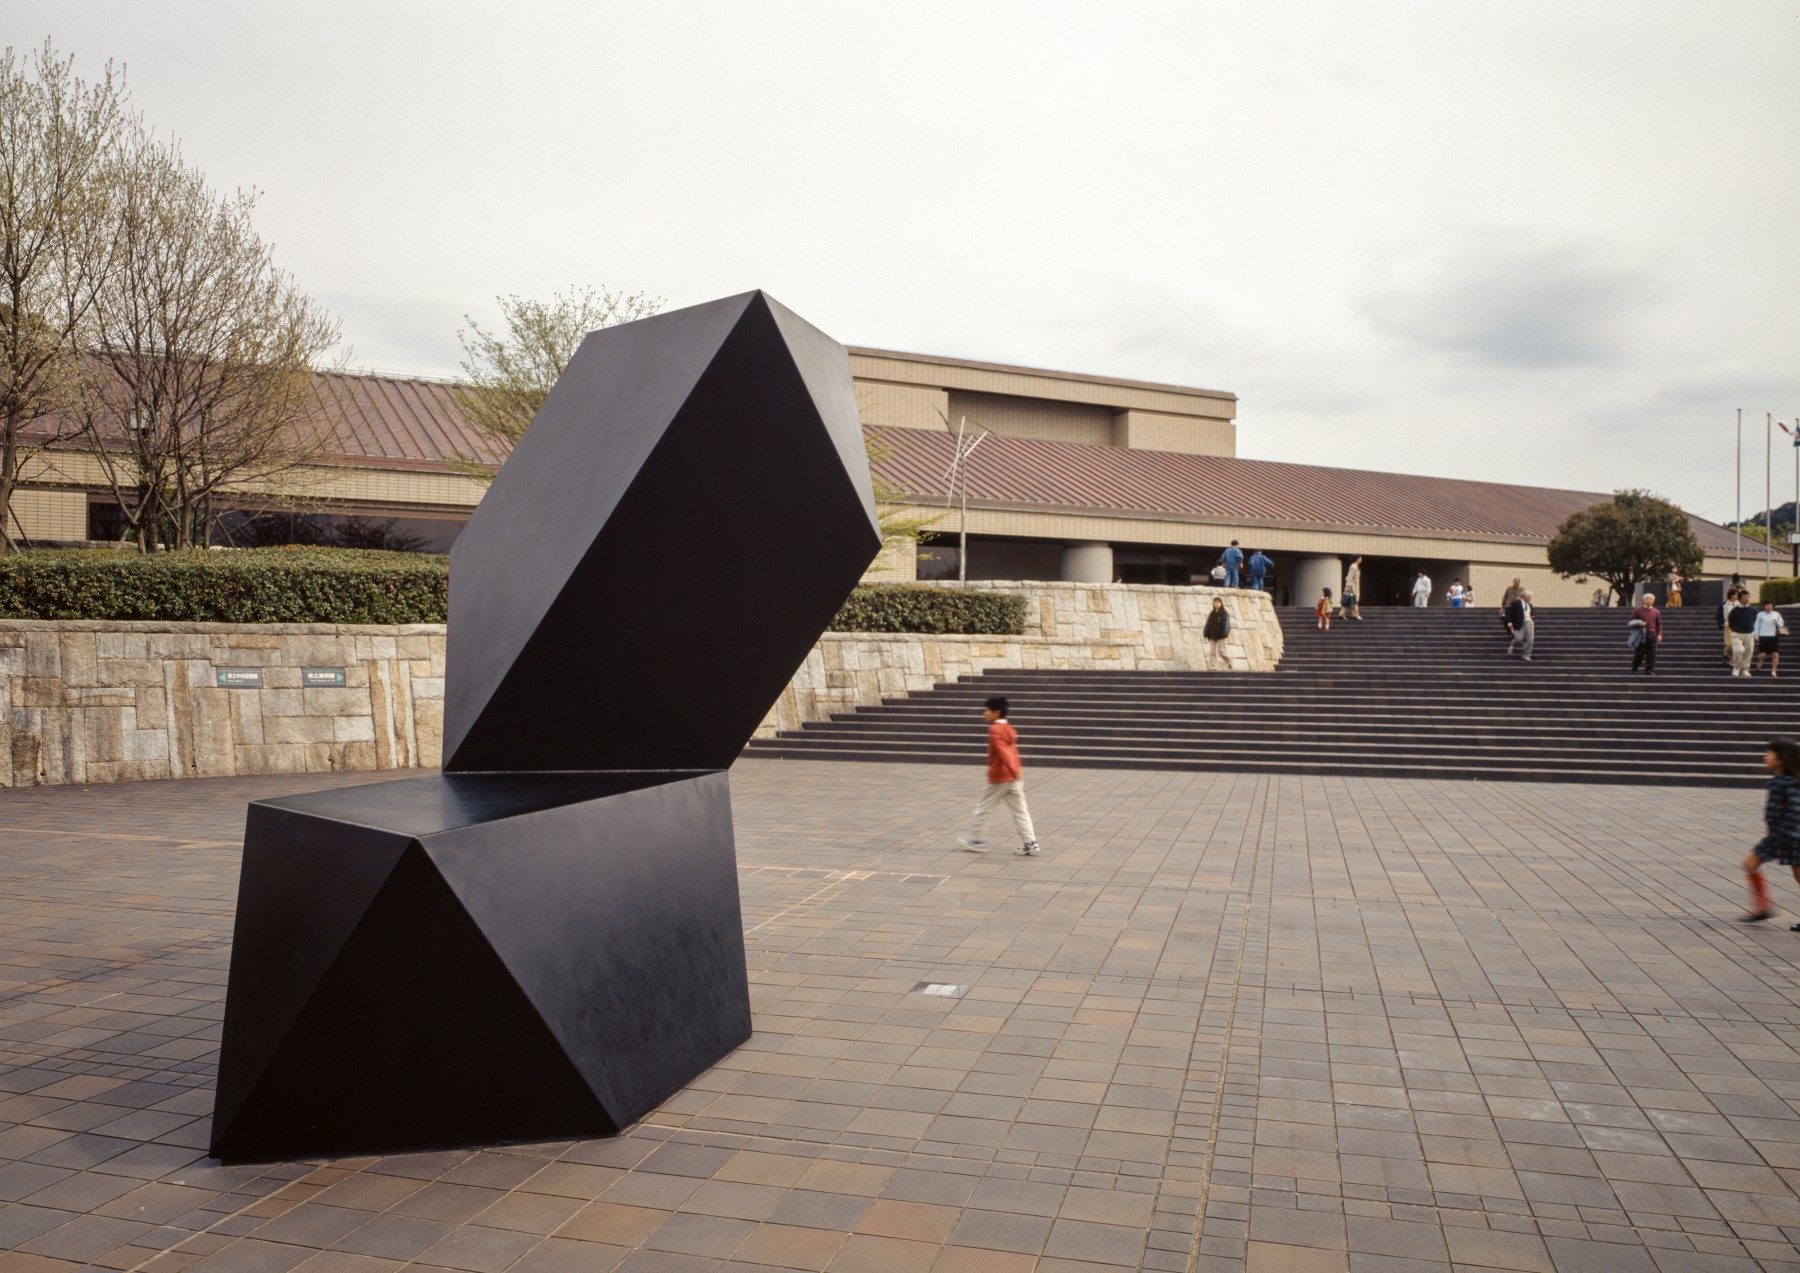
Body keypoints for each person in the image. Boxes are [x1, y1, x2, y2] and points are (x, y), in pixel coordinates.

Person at [957, 696, 1040, 856]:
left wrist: (1010, 768)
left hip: (1001, 776)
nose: (984, 714)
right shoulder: (1008, 727)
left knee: (983, 809)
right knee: (1020, 811)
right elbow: (1010, 747)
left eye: (987, 710)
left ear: (997, 712)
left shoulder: (995, 729)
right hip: (1015, 776)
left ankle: (975, 840)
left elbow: (1002, 751)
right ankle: (1030, 842)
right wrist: (1015, 770)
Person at [1740, 738, 1800, 924]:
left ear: (1782, 758)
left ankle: (1762, 908)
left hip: (1788, 836)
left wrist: (1783, 835)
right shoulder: (1781, 781)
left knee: (1750, 864)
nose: (1765, 757)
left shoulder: (1788, 783)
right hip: (1783, 836)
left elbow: (1795, 811)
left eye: (1769, 754)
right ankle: (1762, 907)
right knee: (1751, 864)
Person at [1729, 590, 1760, 677]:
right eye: (1745, 597)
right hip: (1737, 633)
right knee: (1738, 650)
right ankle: (1737, 667)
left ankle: (1745, 669)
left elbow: (1755, 620)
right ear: (1740, 598)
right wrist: (1735, 629)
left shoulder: (1753, 609)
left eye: (1749, 597)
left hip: (1749, 633)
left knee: (1749, 652)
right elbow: (1731, 621)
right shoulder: (1735, 610)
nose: (1747, 599)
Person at [1630, 592, 1663, 674]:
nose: (1649, 600)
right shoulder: (1638, 610)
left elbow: (1659, 624)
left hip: (1652, 635)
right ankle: (1634, 668)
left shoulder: (1656, 611)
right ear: (1644, 600)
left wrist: (1659, 634)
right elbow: (1632, 622)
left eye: (1651, 599)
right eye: (1647, 599)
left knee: (1652, 654)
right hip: (1642, 635)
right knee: (1639, 654)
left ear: (1653, 601)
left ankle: (1649, 670)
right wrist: (1639, 624)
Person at [1754, 600, 1789, 677]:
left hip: (1774, 636)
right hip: (1763, 636)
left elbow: (1781, 624)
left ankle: (1774, 670)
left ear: (1773, 606)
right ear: (1764, 606)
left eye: (1770, 605)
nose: (1768, 606)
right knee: (1762, 654)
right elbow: (1756, 625)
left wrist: (1776, 621)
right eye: (1766, 605)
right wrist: (1756, 635)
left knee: (1775, 654)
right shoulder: (1760, 614)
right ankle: (1760, 661)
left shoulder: (1776, 614)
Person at [1203, 596, 1231, 670]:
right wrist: (1206, 632)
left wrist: (1224, 633)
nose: (1216, 603)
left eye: (1218, 602)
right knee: (1212, 651)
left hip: (1221, 635)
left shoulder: (1224, 613)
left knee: (1221, 651)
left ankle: (1229, 661)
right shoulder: (1212, 613)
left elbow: (1226, 625)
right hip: (1212, 635)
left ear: (1221, 603)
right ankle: (1214, 666)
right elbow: (1208, 623)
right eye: (1215, 602)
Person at [1505, 589, 1535, 661]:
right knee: (1518, 638)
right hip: (1520, 622)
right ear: (1524, 596)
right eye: (1529, 597)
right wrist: (1509, 621)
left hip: (1529, 622)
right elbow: (1510, 613)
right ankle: (1512, 645)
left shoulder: (1530, 605)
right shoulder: (1516, 603)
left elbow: (1532, 614)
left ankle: (1526, 655)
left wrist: (1532, 617)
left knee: (1529, 639)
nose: (1530, 598)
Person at [1718, 589, 1739, 665]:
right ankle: (1725, 654)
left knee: (1736, 644)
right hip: (1728, 625)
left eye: (1736, 595)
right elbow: (1719, 615)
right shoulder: (1725, 604)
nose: (1735, 597)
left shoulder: (1739, 604)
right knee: (1729, 644)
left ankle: (1732, 661)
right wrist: (1722, 623)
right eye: (1733, 595)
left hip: (1738, 625)